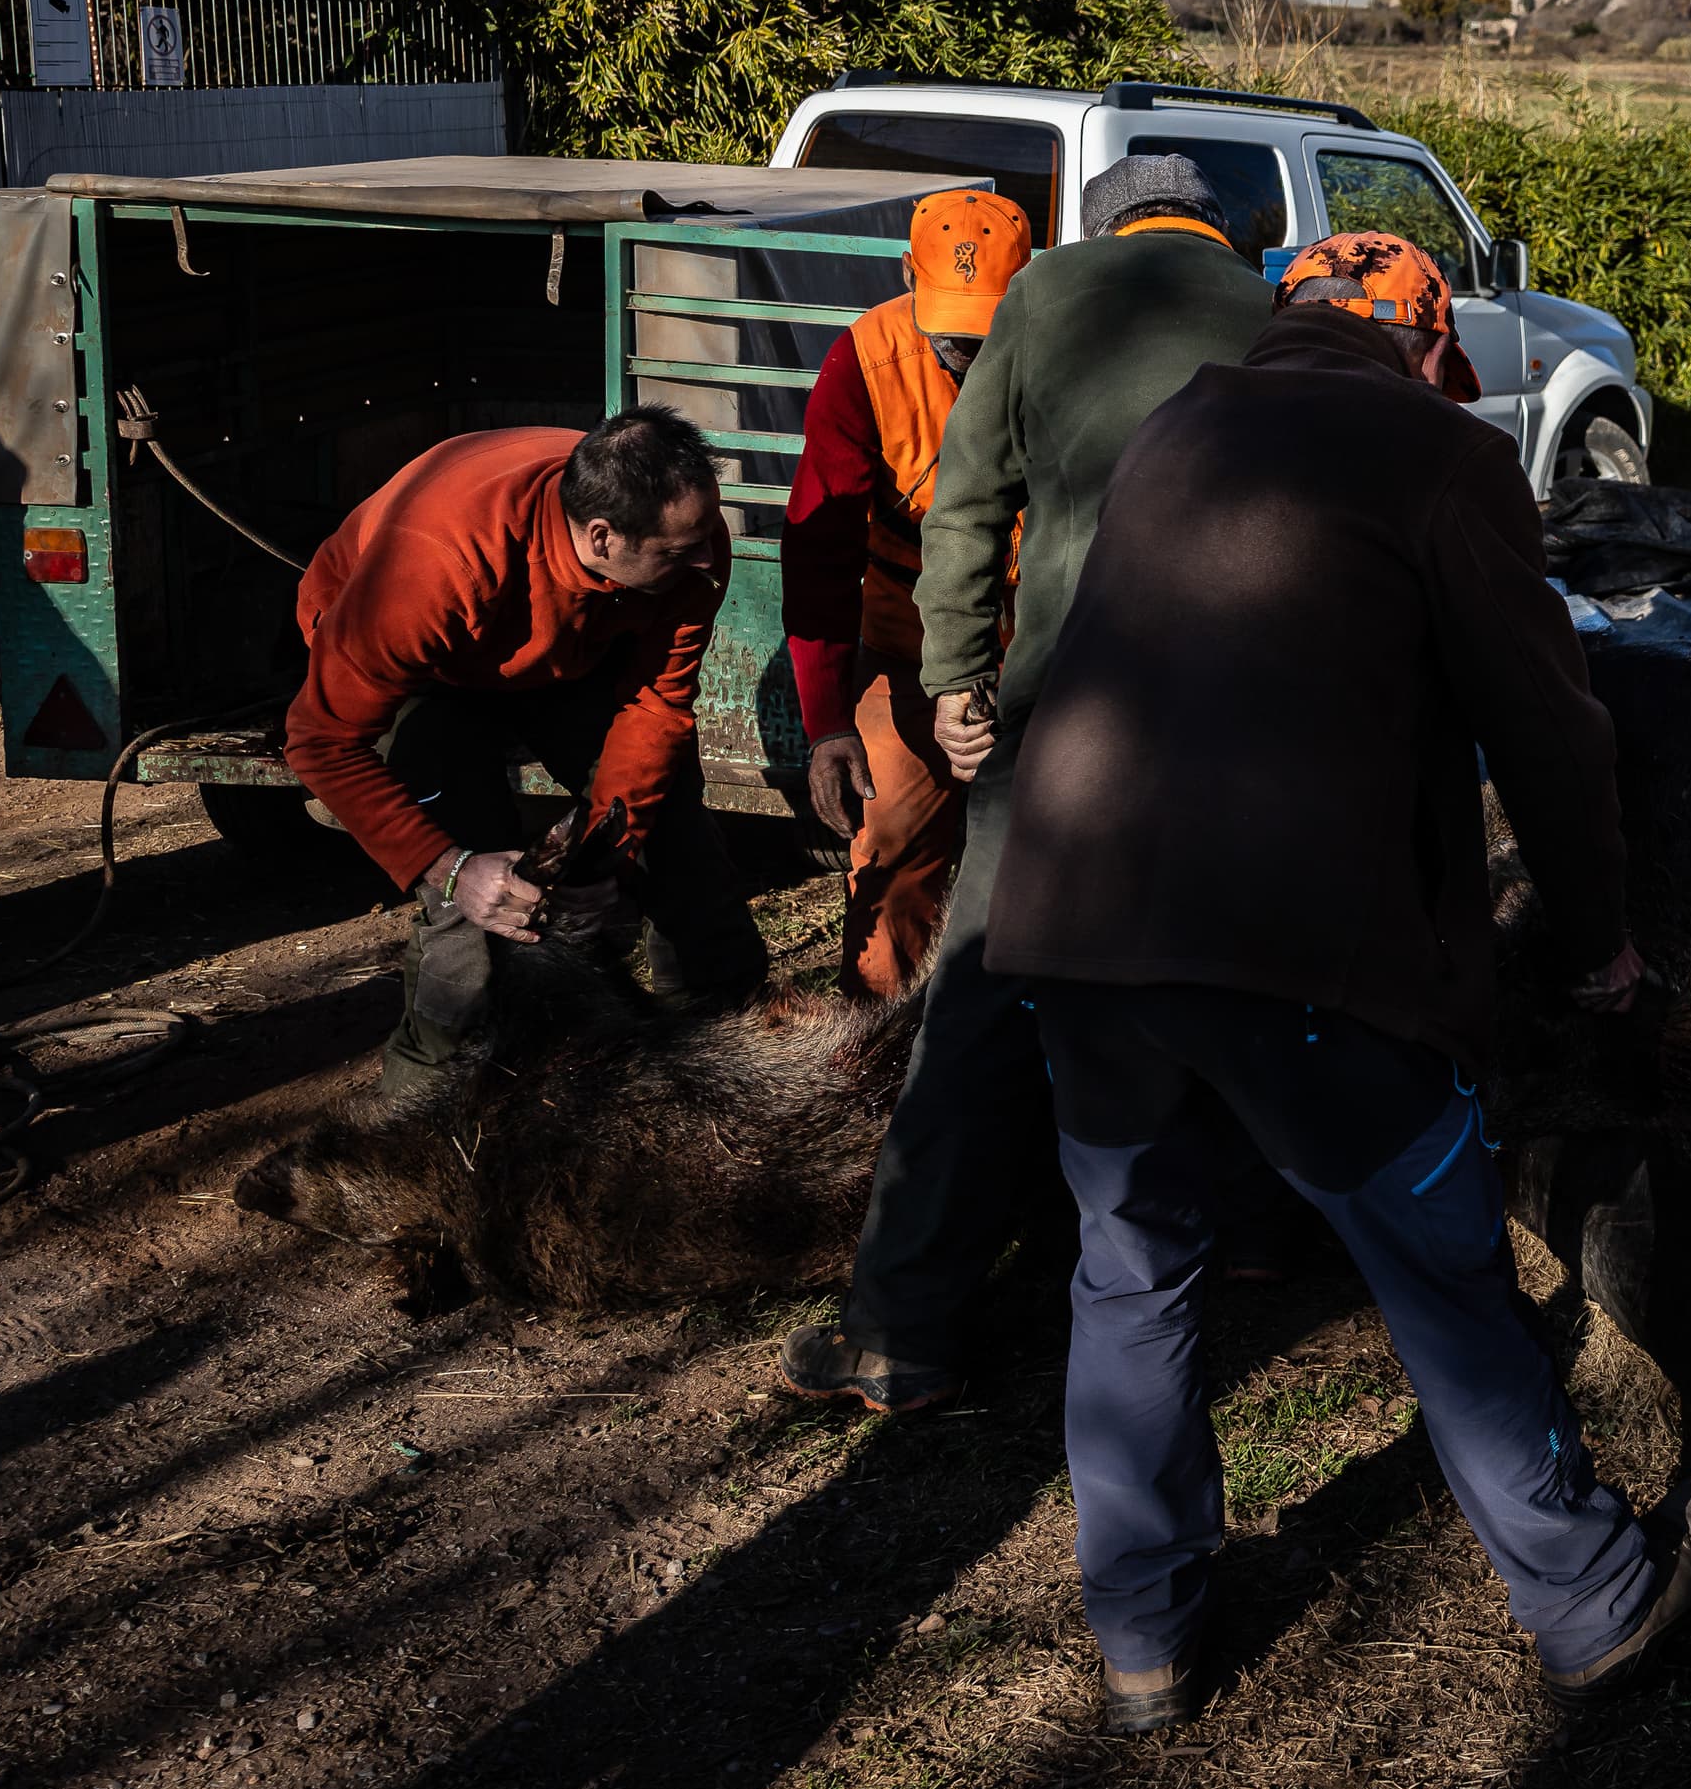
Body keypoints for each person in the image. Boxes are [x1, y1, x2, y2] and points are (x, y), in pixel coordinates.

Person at [986, 229, 1691, 1730]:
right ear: (1428, 344)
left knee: (1129, 1272)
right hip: (1296, 945)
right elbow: (1546, 725)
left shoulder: (1174, 428)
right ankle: (1593, 1599)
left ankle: (1144, 1640)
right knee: (1440, 1274)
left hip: (1075, 922)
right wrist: (1598, 934)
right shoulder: (1436, 450)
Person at [778, 154, 1273, 1413]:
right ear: (1217, 230)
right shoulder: (1275, 308)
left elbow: (968, 502)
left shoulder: (1048, 295)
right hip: (1243, 718)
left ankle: (901, 1330)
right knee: (1235, 975)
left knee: (982, 998)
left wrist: (956, 679)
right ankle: (1248, 1234)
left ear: (1096, 229)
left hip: (1066, 711)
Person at [282, 406, 766, 1101]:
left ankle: (724, 1057)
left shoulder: (690, 542)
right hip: (425, 667)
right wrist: (451, 868)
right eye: (678, 550)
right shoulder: (433, 561)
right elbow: (321, 739)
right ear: (602, 535)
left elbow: (656, 705)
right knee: (483, 902)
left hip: (561, 649)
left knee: (672, 828)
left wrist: (611, 849)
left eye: (703, 537)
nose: (708, 559)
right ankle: (426, 1109)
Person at [779, 186, 1036, 998]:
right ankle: (873, 1036)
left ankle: (1029, 1037)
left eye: (986, 332)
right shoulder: (863, 362)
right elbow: (820, 552)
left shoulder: (1067, 352)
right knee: (888, 839)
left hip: (1045, 650)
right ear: (906, 275)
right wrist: (827, 724)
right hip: (908, 651)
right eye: (950, 334)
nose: (966, 354)